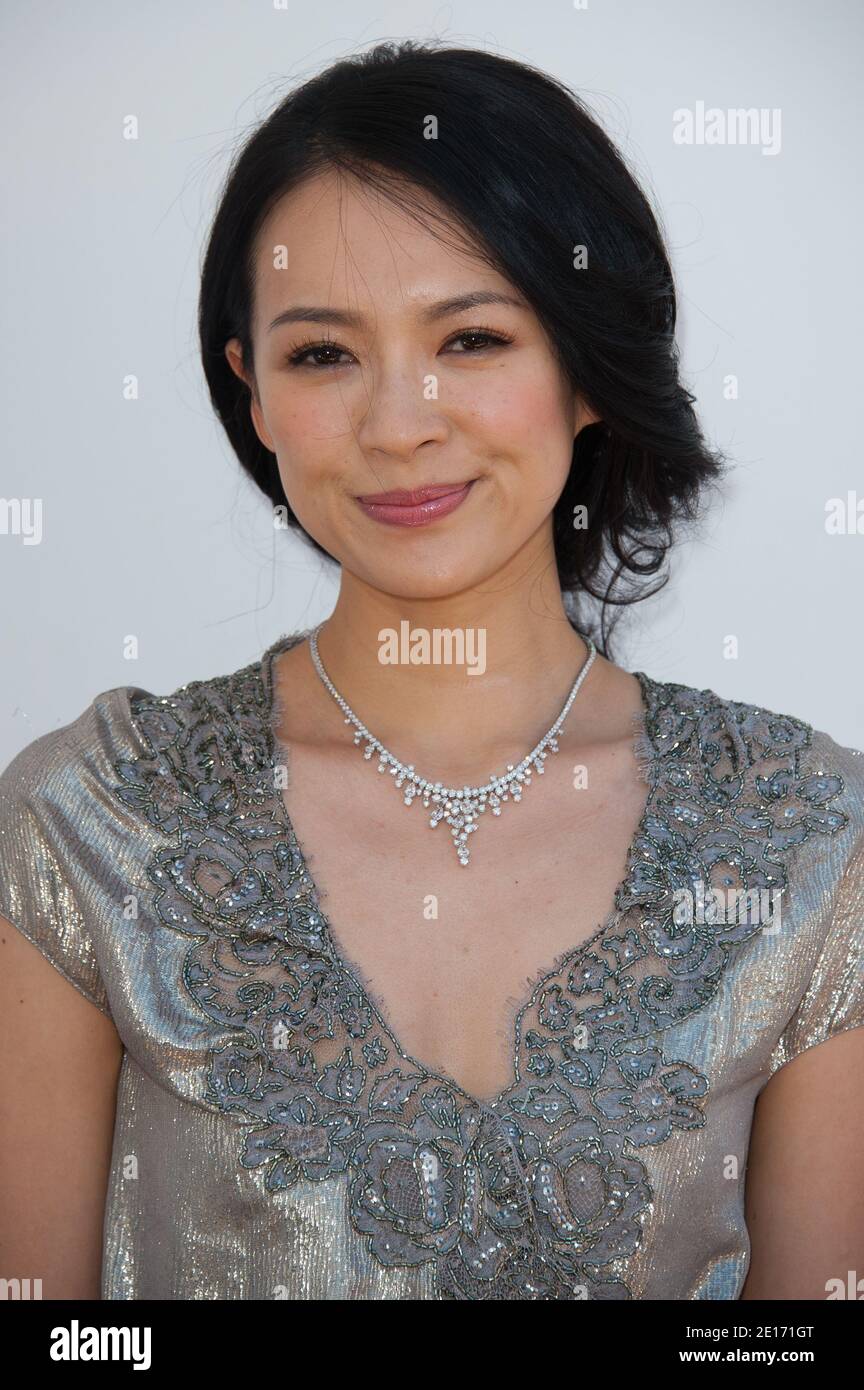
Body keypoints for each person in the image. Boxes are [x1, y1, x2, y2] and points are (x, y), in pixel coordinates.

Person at [1, 40, 862, 1302]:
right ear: (251, 393)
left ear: (585, 367)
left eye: (471, 337)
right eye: (323, 355)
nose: (400, 423)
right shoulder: (90, 824)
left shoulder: (802, 838)